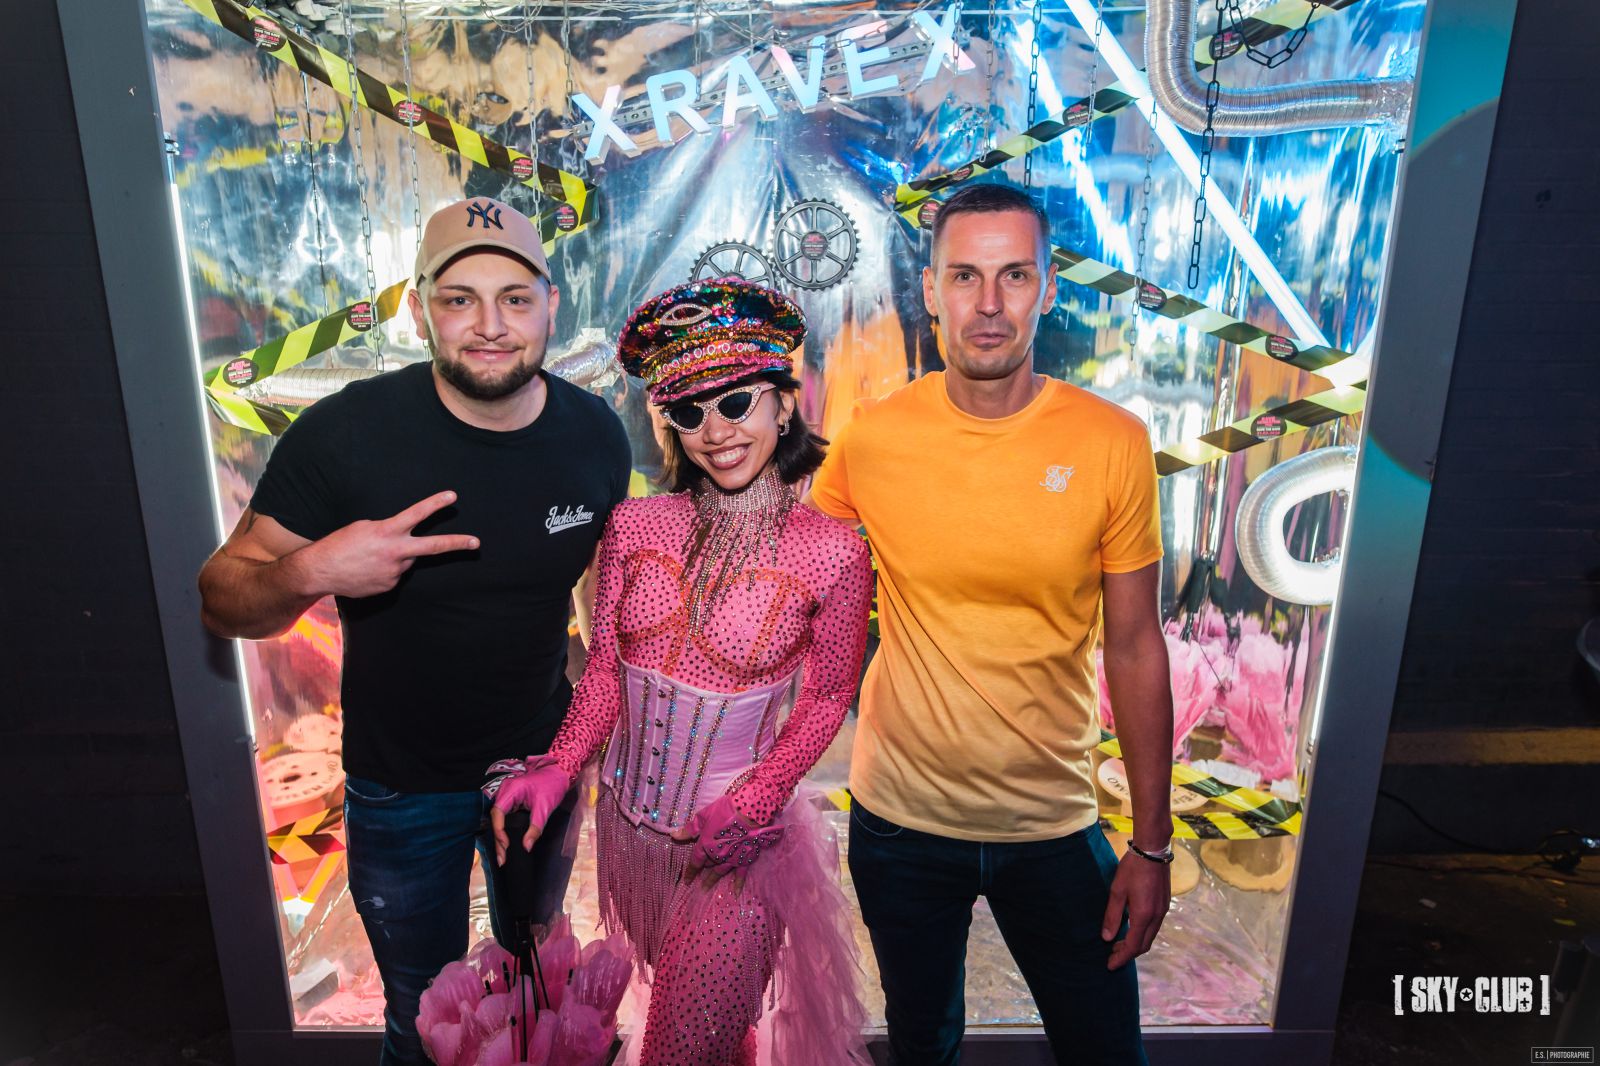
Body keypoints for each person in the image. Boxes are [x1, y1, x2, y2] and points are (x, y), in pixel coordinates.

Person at [197, 198, 632, 1066]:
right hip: (401, 788)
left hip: (537, 769)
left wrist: (588, 736)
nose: (490, 325)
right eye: (459, 299)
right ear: (420, 309)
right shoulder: (348, 432)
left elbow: (598, 598)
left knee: (535, 988)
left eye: (514, 298)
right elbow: (222, 598)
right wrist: (315, 568)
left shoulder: (593, 435)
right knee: (421, 1014)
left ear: (551, 305)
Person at [808, 182, 1176, 1065]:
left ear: (1048, 289)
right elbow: (792, 582)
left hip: (1051, 823)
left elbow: (1135, 647)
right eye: (964, 276)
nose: (987, 304)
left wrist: (1153, 846)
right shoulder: (871, 439)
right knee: (922, 1044)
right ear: (930, 291)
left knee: (1105, 1051)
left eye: (1014, 275)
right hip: (900, 822)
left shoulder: (1113, 441)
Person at [486, 277, 873, 1066]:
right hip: (632, 843)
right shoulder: (634, 526)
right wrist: (559, 765)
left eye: (736, 402)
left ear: (783, 404)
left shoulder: (834, 550)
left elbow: (830, 694)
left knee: (676, 1052)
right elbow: (605, 674)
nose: (715, 431)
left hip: (738, 856)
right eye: (690, 411)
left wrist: (757, 799)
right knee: (713, 1040)